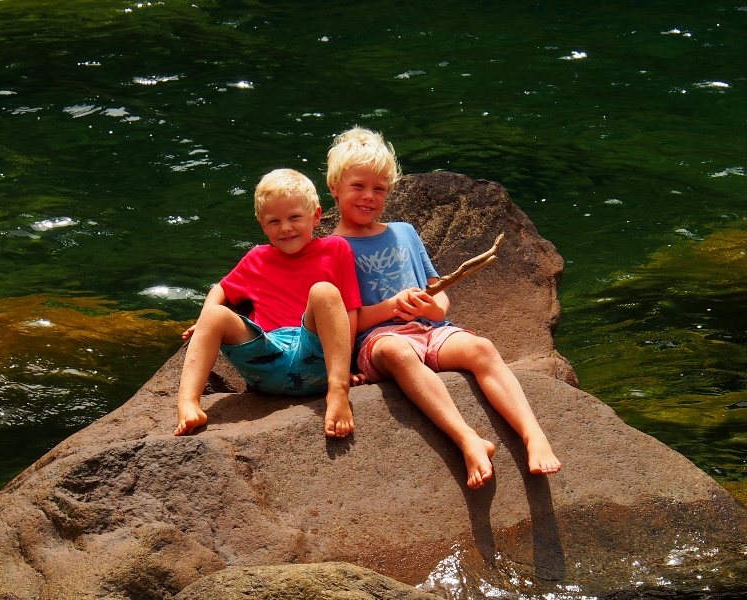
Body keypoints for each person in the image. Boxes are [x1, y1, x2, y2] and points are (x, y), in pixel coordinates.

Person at [327, 127, 562, 488]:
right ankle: (468, 439)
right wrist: (391, 306)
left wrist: (433, 309)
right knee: (397, 352)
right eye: (358, 186)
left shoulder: (405, 232)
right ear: (335, 187)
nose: (369, 196)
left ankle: (533, 434)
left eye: (379, 189)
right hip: (377, 340)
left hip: (429, 329)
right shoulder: (331, 248)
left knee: (481, 348)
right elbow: (344, 323)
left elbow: (438, 294)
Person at [175, 168, 361, 439]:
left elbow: (349, 311)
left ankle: (338, 391)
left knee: (324, 292)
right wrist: (204, 323)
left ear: (316, 216)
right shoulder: (257, 259)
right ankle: (188, 402)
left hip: (316, 356)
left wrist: (347, 367)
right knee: (214, 314)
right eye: (274, 221)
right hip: (267, 359)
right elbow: (220, 289)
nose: (285, 228)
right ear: (263, 225)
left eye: (294, 217)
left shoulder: (336, 249)